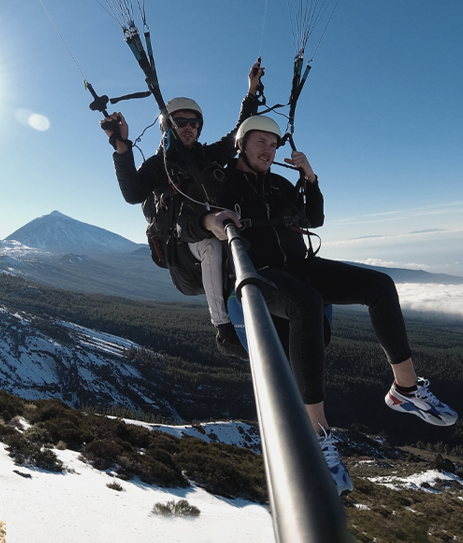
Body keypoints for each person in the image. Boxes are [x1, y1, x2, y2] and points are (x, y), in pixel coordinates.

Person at [188, 114, 458, 495]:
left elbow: (315, 217)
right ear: (241, 144)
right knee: (306, 302)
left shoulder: (281, 183)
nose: (269, 149)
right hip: (257, 273)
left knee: (379, 284)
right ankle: (316, 431)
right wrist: (208, 218)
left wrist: (309, 178)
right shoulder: (219, 182)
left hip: (300, 265)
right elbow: (186, 220)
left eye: (273, 144)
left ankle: (406, 389)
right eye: (260, 142)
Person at [101, 61, 266, 361]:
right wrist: (122, 148)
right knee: (209, 244)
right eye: (180, 122)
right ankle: (224, 329)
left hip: (217, 246)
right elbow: (133, 193)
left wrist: (251, 92)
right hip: (183, 259)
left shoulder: (208, 156)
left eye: (193, 123)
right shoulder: (158, 165)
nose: (188, 127)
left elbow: (236, 136)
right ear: (168, 127)